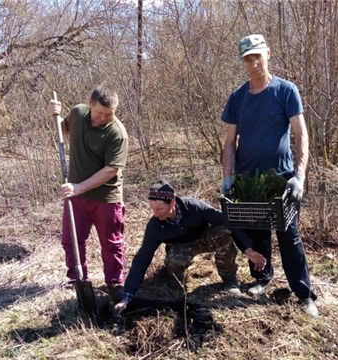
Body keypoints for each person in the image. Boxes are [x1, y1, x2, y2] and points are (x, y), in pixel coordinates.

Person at [220, 34, 318, 317]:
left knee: (289, 236)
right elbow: (229, 142)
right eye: (247, 59)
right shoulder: (237, 98)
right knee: (256, 232)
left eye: (257, 57)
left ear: (268, 54)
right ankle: (262, 278)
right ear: (242, 63)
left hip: (281, 178)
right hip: (248, 180)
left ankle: (303, 294)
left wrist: (299, 176)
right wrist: (227, 178)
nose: (253, 64)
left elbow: (301, 135)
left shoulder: (286, 91)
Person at [114, 180, 264, 317]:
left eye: (160, 209)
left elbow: (228, 221)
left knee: (224, 232)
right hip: (181, 247)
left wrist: (247, 249)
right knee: (174, 260)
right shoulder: (155, 226)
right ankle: (177, 280)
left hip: (204, 238)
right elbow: (142, 258)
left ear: (172, 203)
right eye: (153, 209)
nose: (156, 213)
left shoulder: (194, 207)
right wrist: (127, 296)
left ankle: (229, 278)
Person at [47, 85, 128, 301]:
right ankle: (78, 280)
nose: (104, 117)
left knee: (111, 243)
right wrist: (53, 115)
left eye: (109, 113)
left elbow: (111, 170)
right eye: (100, 112)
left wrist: (79, 187)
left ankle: (114, 283)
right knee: (71, 240)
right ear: (90, 104)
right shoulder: (77, 113)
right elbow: (62, 130)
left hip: (106, 198)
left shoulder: (117, 133)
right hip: (76, 196)